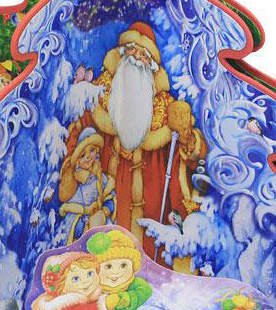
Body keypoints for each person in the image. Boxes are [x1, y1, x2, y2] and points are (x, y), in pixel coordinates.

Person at [62, 22, 206, 258]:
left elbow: (188, 160)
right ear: (121, 54)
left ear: (152, 65)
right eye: (131, 50)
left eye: (144, 54)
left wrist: (188, 138)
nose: (136, 58)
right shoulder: (100, 95)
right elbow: (76, 134)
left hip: (150, 211)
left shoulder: (164, 110)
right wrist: (70, 172)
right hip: (107, 204)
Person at [58, 127, 116, 244]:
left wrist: (105, 210)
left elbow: (109, 197)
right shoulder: (74, 180)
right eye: (83, 155)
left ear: (97, 151)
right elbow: (68, 208)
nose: (88, 157)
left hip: (98, 222)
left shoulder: (99, 176)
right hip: (78, 225)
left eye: (92, 150)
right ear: (77, 161)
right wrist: (85, 220)